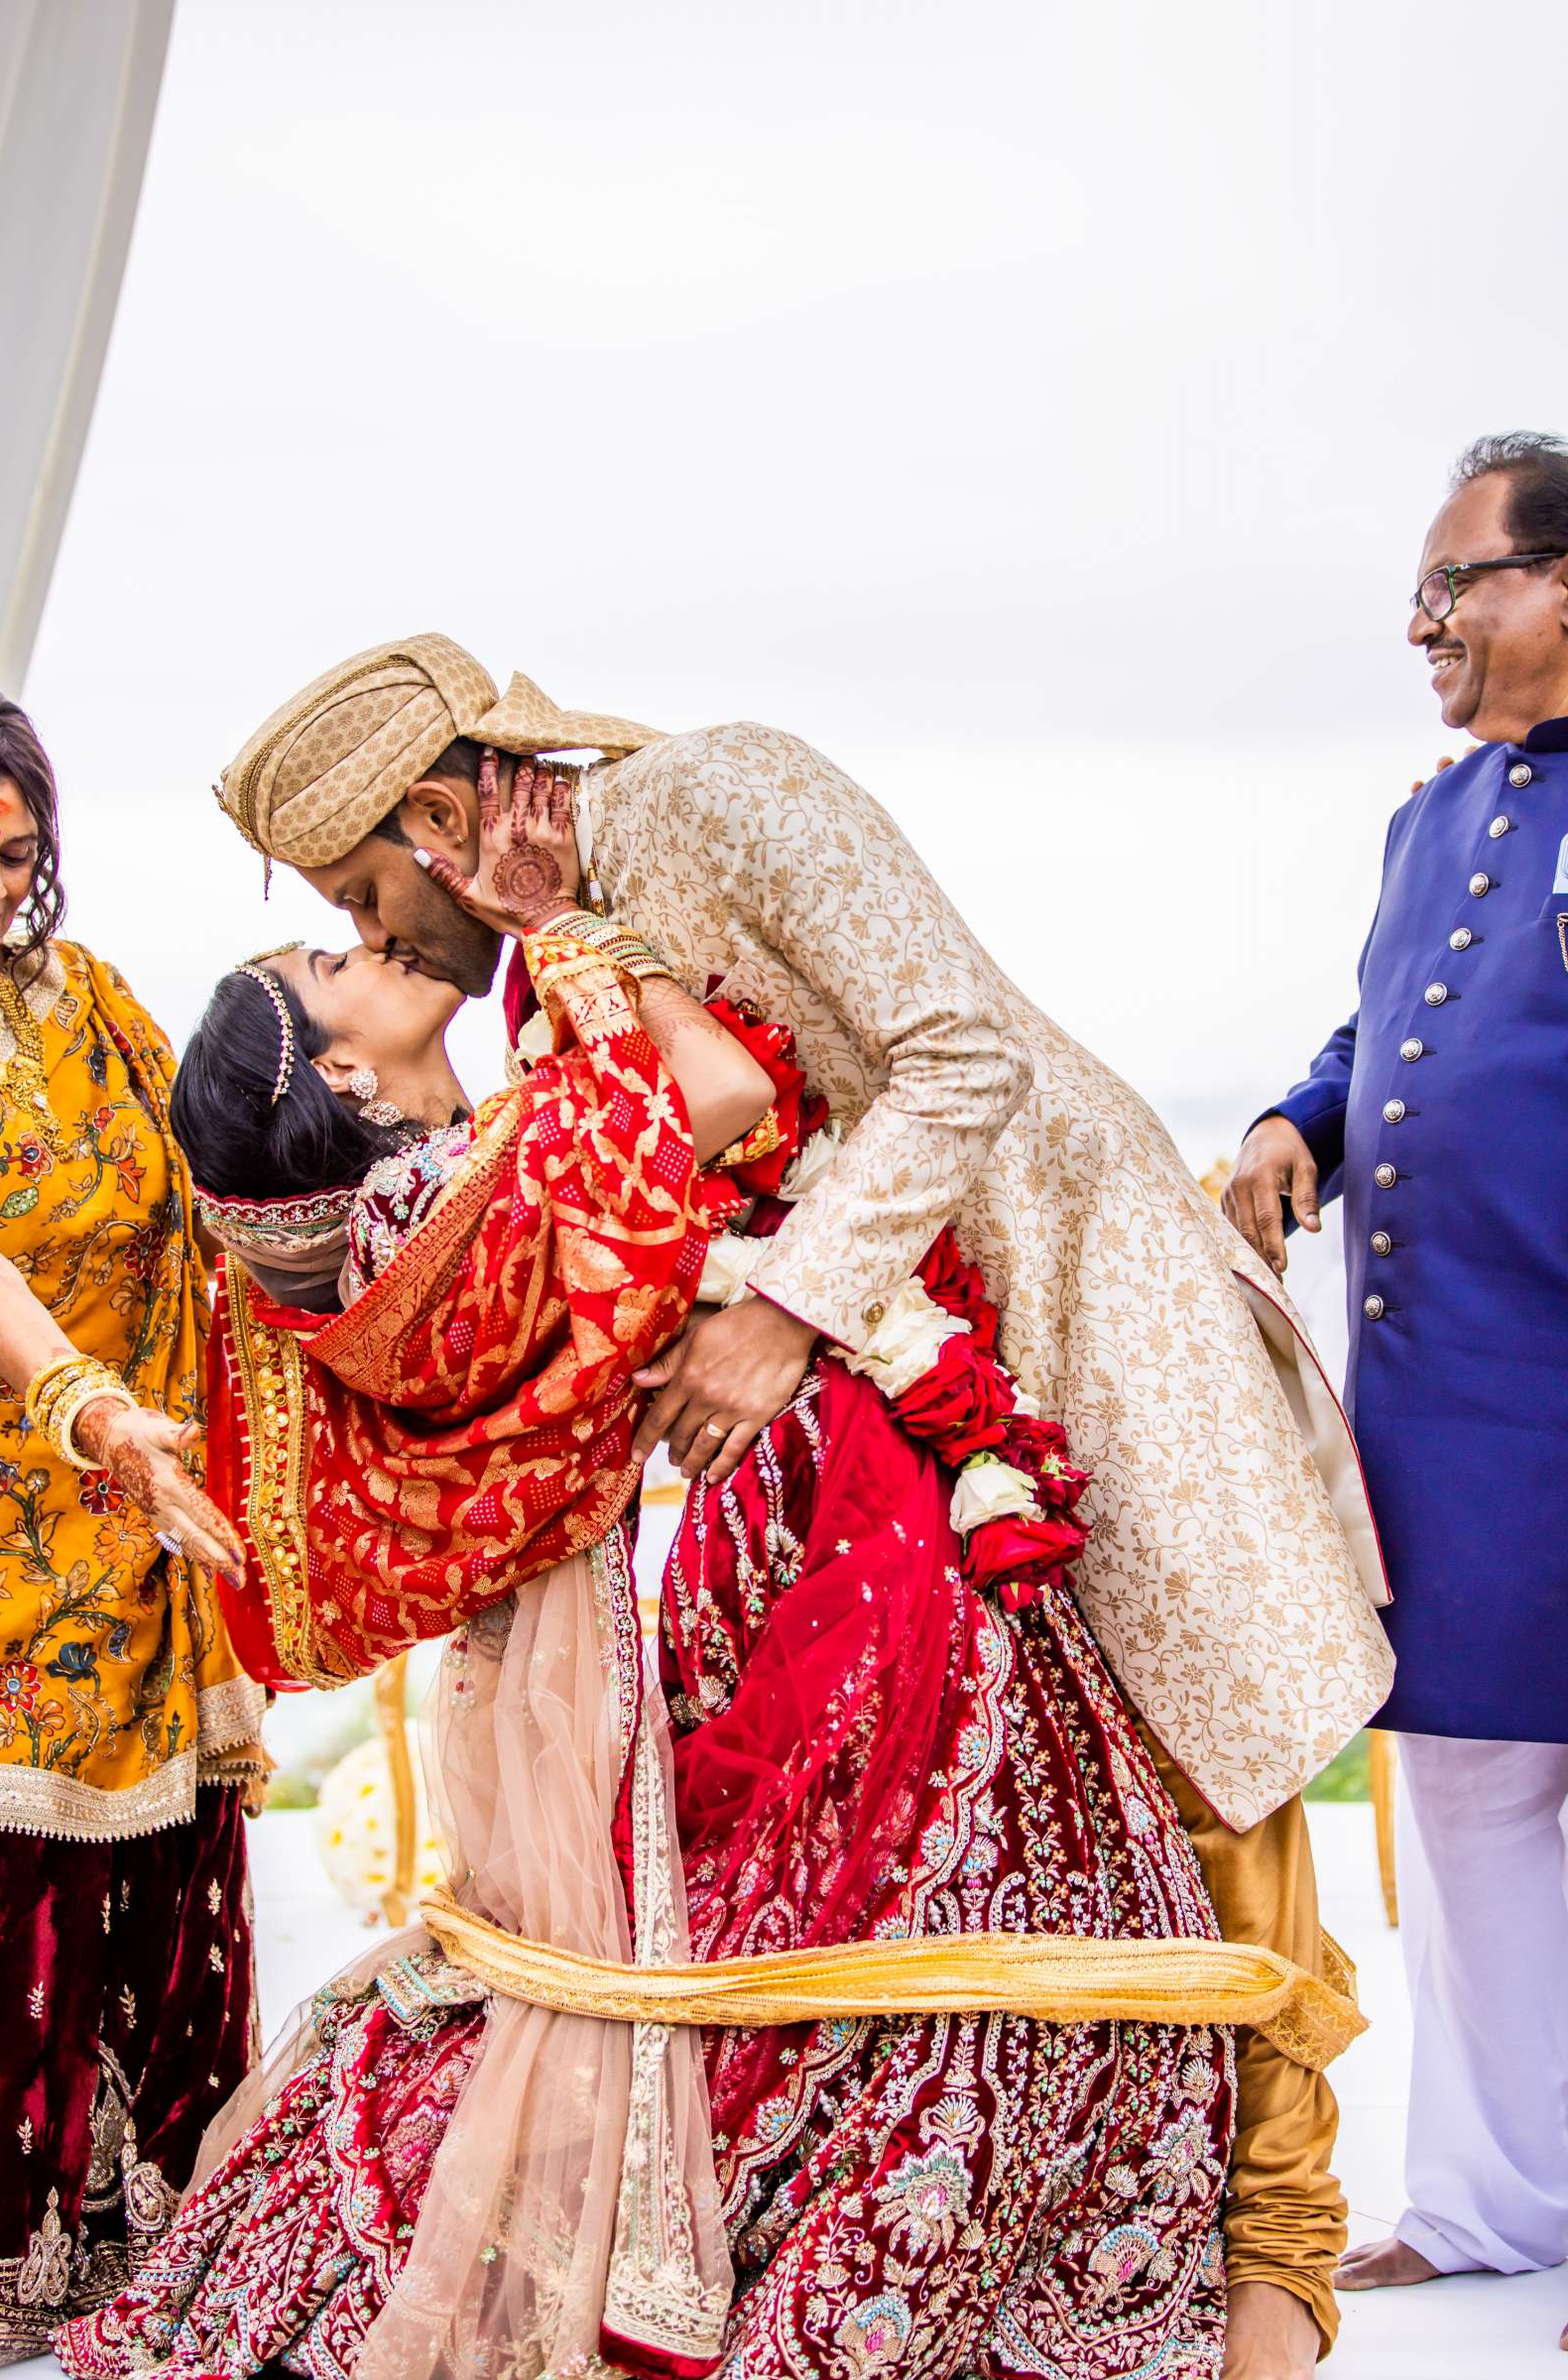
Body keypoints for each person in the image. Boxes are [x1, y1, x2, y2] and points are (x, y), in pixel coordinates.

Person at [205, 638, 1390, 2379]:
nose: (384, 945)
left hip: (1084, 1294)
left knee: (1225, 1765)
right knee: (1096, 1809)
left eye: (371, 898)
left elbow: (959, 1054)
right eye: (354, 930)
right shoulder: (563, 959)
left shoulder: (722, 787)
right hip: (909, 1408)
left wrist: (784, 1313)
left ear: (444, 812)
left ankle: (1283, 2280)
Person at [1225, 430, 1568, 2350]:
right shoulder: (1424, 815)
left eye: (1457, 583)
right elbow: (1384, 1020)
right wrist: (1293, 1122)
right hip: (1436, 1405)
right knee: (1459, 1799)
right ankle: (1492, 2193)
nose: (1421, 620)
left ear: (1563, 587)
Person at [0, 687, 265, 2366]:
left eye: (14, 853)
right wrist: (82, 1402)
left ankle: (140, 2263)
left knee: (153, 1895)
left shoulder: (86, 998)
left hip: (137, 1521)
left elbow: (215, 1189)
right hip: (3, 1539)